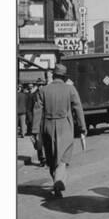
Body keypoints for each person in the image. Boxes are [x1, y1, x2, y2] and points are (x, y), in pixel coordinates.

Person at [38, 64, 87, 197]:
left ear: (53, 75)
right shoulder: (70, 89)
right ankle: (59, 181)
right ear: (65, 77)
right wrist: (83, 127)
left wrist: (34, 131)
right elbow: (78, 108)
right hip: (65, 126)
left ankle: (56, 182)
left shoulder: (43, 90)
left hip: (47, 125)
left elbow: (37, 111)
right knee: (63, 158)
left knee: (51, 157)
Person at [31, 78, 47, 166]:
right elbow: (30, 109)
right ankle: (41, 159)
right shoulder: (33, 95)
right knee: (38, 141)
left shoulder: (47, 94)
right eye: (39, 85)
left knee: (47, 140)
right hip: (37, 121)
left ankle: (47, 158)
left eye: (42, 85)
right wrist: (31, 122)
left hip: (46, 120)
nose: (41, 86)